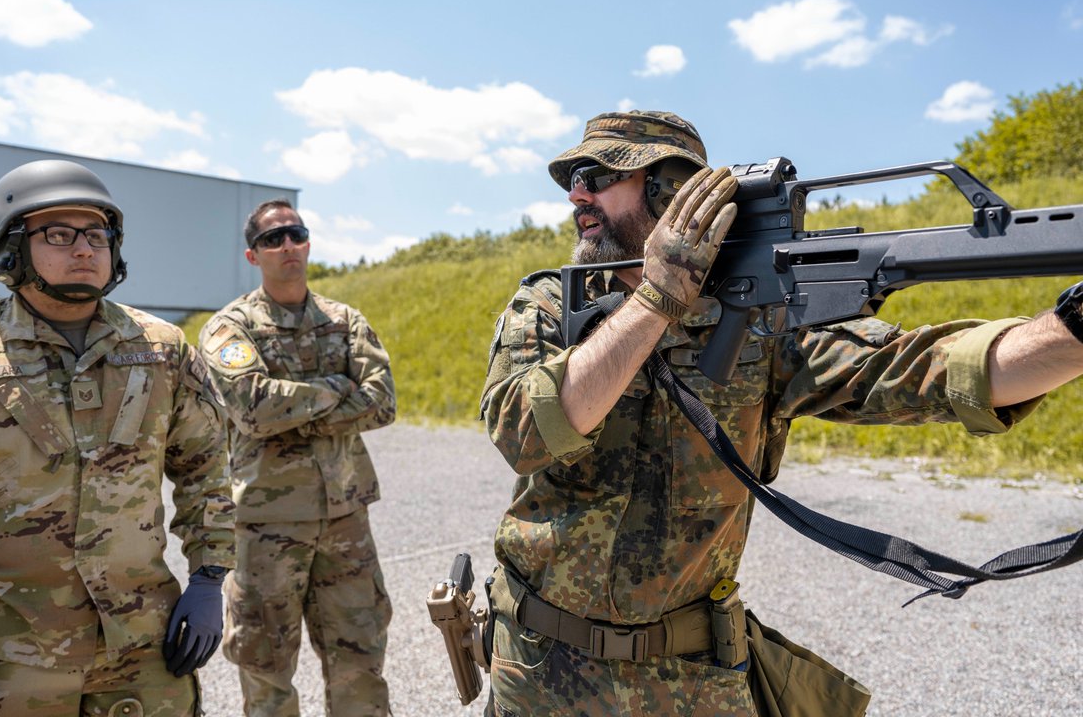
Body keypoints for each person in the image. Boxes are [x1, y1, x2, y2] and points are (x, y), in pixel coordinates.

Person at [479, 110, 1083, 716]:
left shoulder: (758, 320)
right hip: (540, 668)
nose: (577, 195)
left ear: (669, 191)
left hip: (692, 680)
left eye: (595, 176)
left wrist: (1072, 330)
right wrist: (658, 299)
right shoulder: (550, 304)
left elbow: (921, 371)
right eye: (572, 181)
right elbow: (523, 431)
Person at [0, 160, 236, 716]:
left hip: (144, 650)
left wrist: (209, 578)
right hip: (5, 658)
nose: (85, 249)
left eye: (97, 234)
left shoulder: (161, 350)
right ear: (10, 249)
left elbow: (206, 465)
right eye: (58, 235)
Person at [200, 199, 396, 717]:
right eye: (273, 238)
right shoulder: (229, 327)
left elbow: (382, 401)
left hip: (346, 518)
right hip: (269, 523)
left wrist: (293, 409)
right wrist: (337, 388)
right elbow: (252, 407)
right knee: (266, 667)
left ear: (307, 243)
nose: (287, 244)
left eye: (296, 234)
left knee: (360, 659)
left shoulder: (344, 320)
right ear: (253, 254)